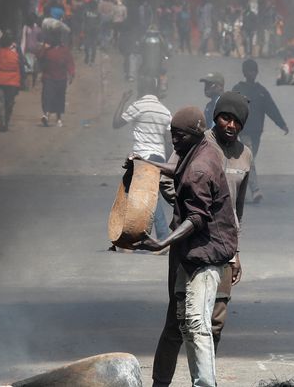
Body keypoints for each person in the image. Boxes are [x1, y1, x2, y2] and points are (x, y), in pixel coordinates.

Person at [144, 92, 253, 387]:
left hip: (220, 246)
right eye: (225, 117)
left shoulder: (244, 154)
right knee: (178, 321)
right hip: (188, 243)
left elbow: (236, 208)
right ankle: (161, 382)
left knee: (213, 323)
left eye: (236, 121)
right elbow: (173, 178)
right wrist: (183, 200)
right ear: (214, 118)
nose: (230, 125)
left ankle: (205, 379)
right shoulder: (195, 142)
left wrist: (236, 250)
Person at [114, 82, 173, 240]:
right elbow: (169, 141)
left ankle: (162, 237)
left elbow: (116, 123)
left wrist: (122, 101)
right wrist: (166, 164)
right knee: (141, 194)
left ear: (141, 91)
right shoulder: (165, 111)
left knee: (145, 197)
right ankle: (132, 236)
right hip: (158, 158)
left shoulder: (138, 106)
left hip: (143, 158)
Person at [232, 59, 289, 204]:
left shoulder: (261, 91)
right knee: (249, 159)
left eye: (254, 71)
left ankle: (238, 188)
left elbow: (271, 109)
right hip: (243, 131)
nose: (252, 73)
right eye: (249, 71)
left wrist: (281, 124)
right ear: (244, 72)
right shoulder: (238, 89)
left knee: (247, 161)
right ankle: (255, 189)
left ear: (257, 72)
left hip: (257, 132)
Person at [38, 34, 75, 127]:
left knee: (59, 98)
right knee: (47, 96)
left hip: (61, 78)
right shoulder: (47, 49)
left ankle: (58, 118)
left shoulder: (64, 50)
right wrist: (43, 48)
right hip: (48, 77)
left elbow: (70, 63)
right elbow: (40, 58)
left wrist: (71, 73)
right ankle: (46, 115)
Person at [0, 35, 22, 132]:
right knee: (9, 102)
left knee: (0, 101)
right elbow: (21, 67)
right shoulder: (15, 54)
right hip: (12, 82)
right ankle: (5, 121)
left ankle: (3, 122)